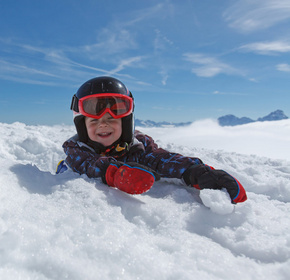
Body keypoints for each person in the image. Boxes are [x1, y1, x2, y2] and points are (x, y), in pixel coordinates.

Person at [60, 76, 247, 204]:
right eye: (94, 121)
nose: (103, 125)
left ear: (126, 123)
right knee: (66, 168)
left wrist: (196, 171)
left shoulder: (138, 146)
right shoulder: (76, 150)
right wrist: (114, 173)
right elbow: (87, 164)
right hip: (80, 174)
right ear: (81, 126)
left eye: (112, 119)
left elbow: (161, 159)